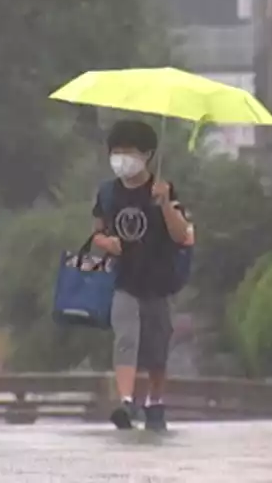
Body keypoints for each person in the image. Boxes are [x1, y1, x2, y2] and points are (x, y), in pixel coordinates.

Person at [90, 119, 194, 432]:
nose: (122, 158)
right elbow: (95, 234)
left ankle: (155, 402)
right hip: (123, 281)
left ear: (147, 154)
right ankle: (125, 401)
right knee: (125, 339)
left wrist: (164, 204)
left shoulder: (164, 189)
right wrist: (108, 243)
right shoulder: (108, 193)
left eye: (129, 152)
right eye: (116, 152)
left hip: (158, 282)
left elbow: (180, 235)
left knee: (156, 348)